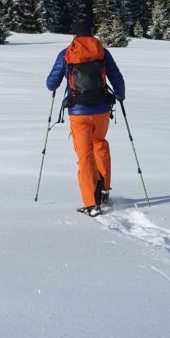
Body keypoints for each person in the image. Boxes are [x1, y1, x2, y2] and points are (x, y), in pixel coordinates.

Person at [46, 20, 125, 217]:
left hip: (79, 111)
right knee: (100, 143)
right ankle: (104, 188)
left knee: (85, 155)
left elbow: (51, 83)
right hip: (102, 110)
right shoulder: (102, 52)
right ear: (91, 33)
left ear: (74, 35)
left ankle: (91, 203)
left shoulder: (66, 53)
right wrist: (120, 96)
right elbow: (117, 79)